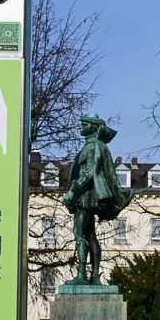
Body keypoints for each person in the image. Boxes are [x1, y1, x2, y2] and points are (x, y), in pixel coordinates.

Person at [62, 113, 134, 285]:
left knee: (79, 233)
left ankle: (82, 275)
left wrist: (73, 190)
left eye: (84, 124)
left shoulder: (92, 147)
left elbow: (88, 173)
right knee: (91, 235)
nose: (80, 126)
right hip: (93, 196)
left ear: (92, 127)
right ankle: (94, 276)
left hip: (86, 197)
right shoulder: (99, 146)